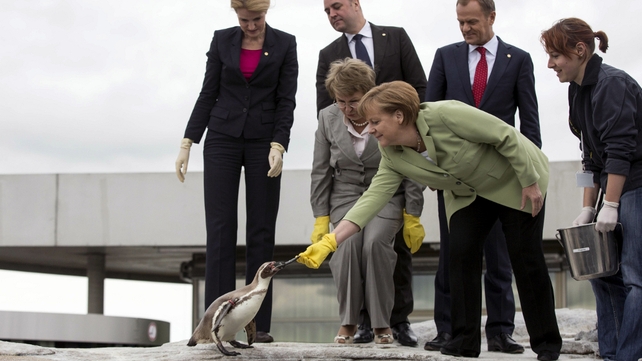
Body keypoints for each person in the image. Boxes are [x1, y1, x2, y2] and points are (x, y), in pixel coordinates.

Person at [297, 81, 562, 361]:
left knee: (525, 259)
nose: (369, 129)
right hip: (467, 194)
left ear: (399, 116)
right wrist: (330, 240)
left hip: (515, 182)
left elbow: (505, 136)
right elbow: (372, 199)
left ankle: (546, 345)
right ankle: (463, 341)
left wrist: (530, 182)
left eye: (375, 121)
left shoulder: (445, 114)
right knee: (459, 256)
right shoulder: (392, 153)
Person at [174, 0, 297, 343]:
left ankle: (256, 326)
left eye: (256, 19)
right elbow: (208, 91)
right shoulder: (221, 40)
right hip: (221, 140)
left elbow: (287, 99)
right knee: (220, 231)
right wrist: (188, 140)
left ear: (266, 13)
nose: (251, 26)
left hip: (263, 141)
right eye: (245, 20)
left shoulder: (285, 43)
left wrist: (279, 143)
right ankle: (213, 325)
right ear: (236, 15)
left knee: (261, 231)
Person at [423, 0, 541, 353]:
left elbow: (529, 123)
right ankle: (449, 329)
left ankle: (501, 331)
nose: (465, 29)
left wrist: (530, 174)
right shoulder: (445, 57)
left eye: (472, 21)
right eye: (460, 22)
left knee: (500, 255)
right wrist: (432, 168)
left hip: (503, 175)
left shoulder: (518, 60)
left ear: (491, 17)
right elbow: (427, 117)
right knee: (454, 256)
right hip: (456, 178)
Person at [316, 0, 428, 346]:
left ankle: (385, 323)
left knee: (376, 243)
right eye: (341, 101)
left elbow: (410, 160)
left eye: (354, 101)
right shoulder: (329, 115)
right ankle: (350, 322)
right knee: (347, 246)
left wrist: (413, 211)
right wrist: (321, 218)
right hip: (346, 195)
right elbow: (321, 170)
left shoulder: (388, 116)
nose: (348, 109)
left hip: (387, 193)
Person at [541, 18, 642, 361]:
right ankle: (612, 352)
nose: (550, 64)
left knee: (633, 274)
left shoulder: (612, 84)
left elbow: (620, 150)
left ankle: (628, 356)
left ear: (579, 51)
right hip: (613, 185)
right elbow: (589, 157)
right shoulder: (577, 90)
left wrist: (610, 204)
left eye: (556, 55)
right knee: (602, 272)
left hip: (636, 183)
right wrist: (589, 207)